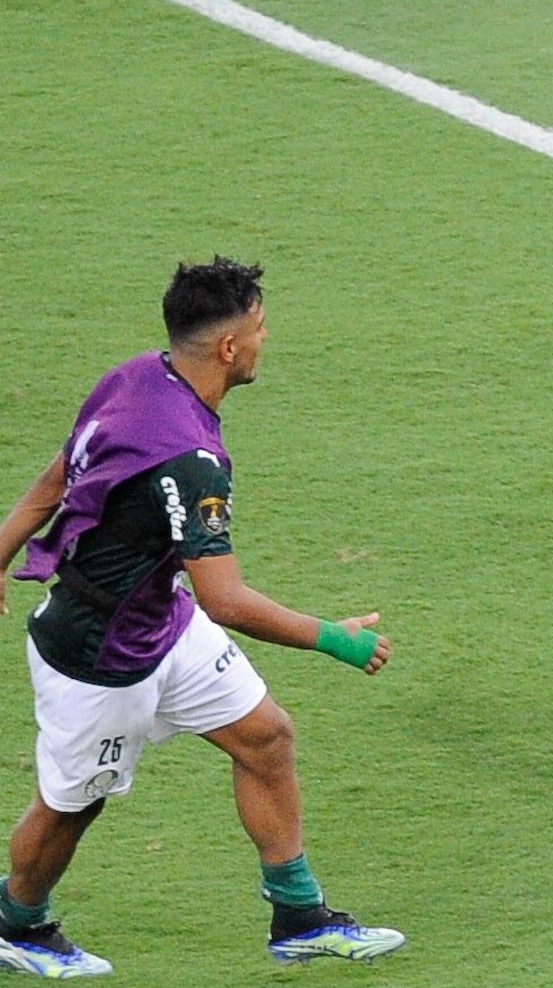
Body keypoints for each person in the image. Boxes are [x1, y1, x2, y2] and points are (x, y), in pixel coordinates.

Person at [0, 258, 404, 977]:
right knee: (72, 807)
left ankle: (298, 917)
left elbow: (57, 477)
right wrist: (335, 638)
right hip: (101, 655)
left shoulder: (135, 375)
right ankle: (16, 922)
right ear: (227, 348)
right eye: (258, 329)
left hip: (161, 625)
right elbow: (227, 599)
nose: (263, 340)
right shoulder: (191, 458)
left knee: (266, 738)